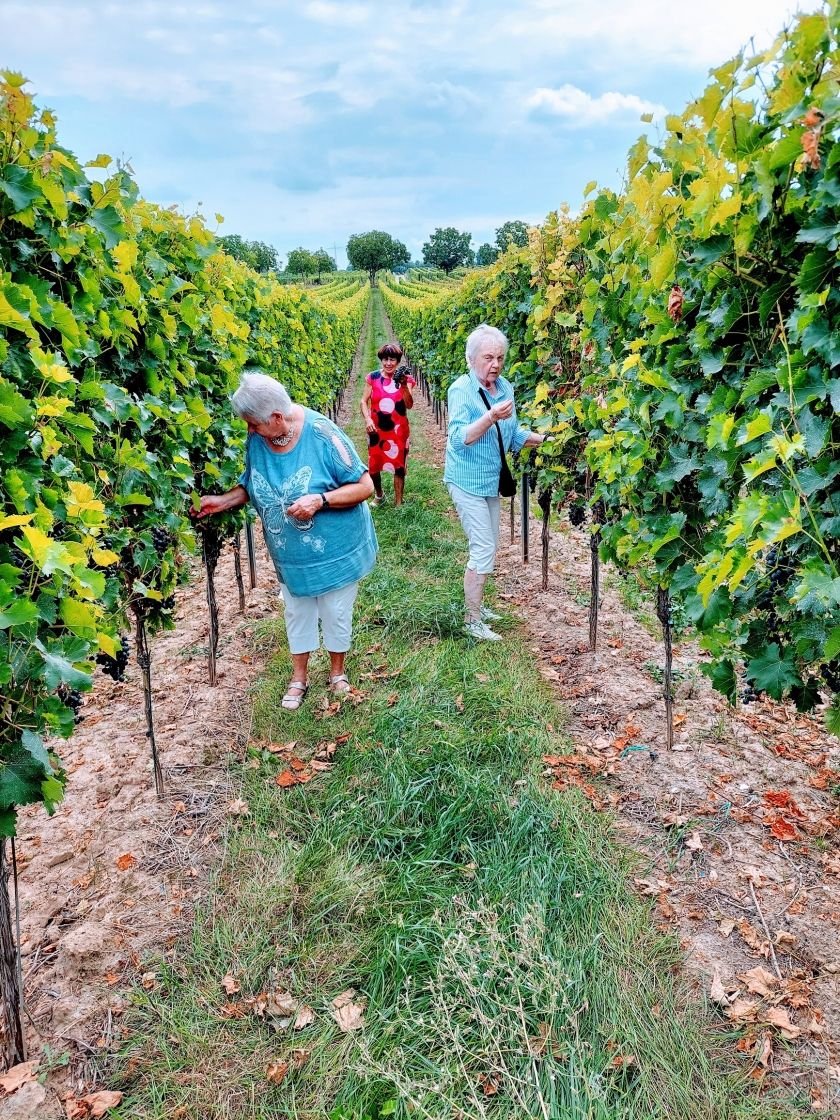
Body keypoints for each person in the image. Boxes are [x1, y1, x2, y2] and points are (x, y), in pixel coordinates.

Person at [191, 371, 377, 710]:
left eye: (254, 424)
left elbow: (365, 487)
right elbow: (254, 484)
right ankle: (299, 677)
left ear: (276, 417)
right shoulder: (259, 439)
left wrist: (319, 501)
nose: (250, 430)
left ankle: (337, 674)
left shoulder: (322, 435)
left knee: (335, 611)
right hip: (291, 556)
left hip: (336, 549)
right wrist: (222, 501)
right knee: (297, 611)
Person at [444, 324, 545, 641]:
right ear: (472, 359)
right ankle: (471, 621)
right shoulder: (461, 390)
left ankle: (477, 607)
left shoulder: (505, 388)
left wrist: (546, 440)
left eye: (500, 357)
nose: (496, 364)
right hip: (466, 480)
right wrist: (489, 418)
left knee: (491, 545)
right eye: (488, 357)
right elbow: (460, 440)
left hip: (491, 479)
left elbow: (513, 435)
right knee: (483, 546)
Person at [360, 342, 416, 506]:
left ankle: (398, 502)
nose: (388, 363)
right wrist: (367, 419)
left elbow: (409, 404)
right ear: (381, 360)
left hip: (399, 429)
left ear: (398, 361)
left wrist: (404, 385)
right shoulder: (373, 377)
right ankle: (379, 495)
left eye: (392, 359)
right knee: (374, 465)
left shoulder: (407, 380)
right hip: (376, 429)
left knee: (399, 465)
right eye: (385, 359)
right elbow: (363, 401)